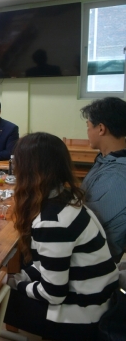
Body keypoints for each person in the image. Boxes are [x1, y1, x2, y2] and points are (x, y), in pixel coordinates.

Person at [4, 132, 118, 340]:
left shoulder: (52, 221)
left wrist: (17, 284)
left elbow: (53, 294)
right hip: (97, 301)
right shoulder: (66, 198)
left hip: (81, 317)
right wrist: (19, 276)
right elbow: (50, 264)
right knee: (9, 280)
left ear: (28, 170)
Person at [81, 97, 126, 263]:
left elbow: (89, 221)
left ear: (101, 128)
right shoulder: (106, 159)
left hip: (94, 258)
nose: (87, 132)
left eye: (88, 127)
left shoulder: (118, 174)